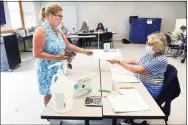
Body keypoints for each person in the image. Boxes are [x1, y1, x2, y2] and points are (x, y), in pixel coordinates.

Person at [33, 4, 93, 107]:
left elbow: (68, 45)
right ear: (49, 15)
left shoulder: (58, 30)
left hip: (58, 67)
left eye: (62, 16)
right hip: (46, 68)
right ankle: (50, 116)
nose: (61, 19)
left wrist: (84, 51)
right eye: (59, 16)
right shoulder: (41, 30)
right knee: (49, 92)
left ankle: (58, 108)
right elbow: (37, 54)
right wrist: (58, 57)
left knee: (58, 90)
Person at [107, 33, 168, 99]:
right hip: (141, 82)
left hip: (149, 89)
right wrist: (116, 60)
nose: (147, 45)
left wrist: (118, 61)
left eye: (150, 44)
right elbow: (135, 62)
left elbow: (137, 70)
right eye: (147, 43)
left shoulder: (160, 59)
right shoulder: (150, 54)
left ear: (158, 46)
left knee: (121, 95)